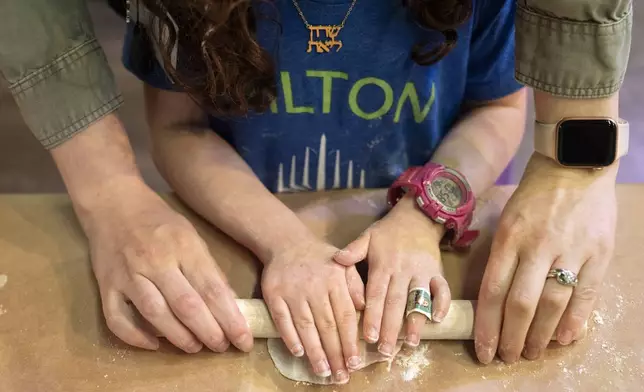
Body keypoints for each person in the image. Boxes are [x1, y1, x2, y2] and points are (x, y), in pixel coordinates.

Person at [0, 0, 631, 369]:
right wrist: (285, 243)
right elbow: (181, 129)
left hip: (435, 216)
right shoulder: (190, 10)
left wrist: (422, 215)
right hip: (251, 215)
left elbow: (496, 112)